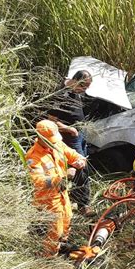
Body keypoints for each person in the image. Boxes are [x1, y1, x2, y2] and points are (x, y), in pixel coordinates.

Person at [25, 120, 87, 257]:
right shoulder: (32, 156)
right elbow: (39, 181)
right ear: (41, 138)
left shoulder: (57, 144)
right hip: (48, 201)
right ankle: (50, 259)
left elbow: (72, 153)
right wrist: (63, 177)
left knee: (67, 220)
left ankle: (62, 247)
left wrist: (80, 160)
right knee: (54, 232)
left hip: (62, 195)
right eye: (50, 141)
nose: (54, 143)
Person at [47, 70, 95, 217]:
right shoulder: (61, 95)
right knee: (81, 166)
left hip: (79, 134)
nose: (85, 90)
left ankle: (72, 196)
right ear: (75, 81)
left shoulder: (75, 89)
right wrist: (69, 129)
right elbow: (51, 120)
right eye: (84, 86)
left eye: (87, 87)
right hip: (69, 137)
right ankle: (83, 205)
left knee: (79, 166)